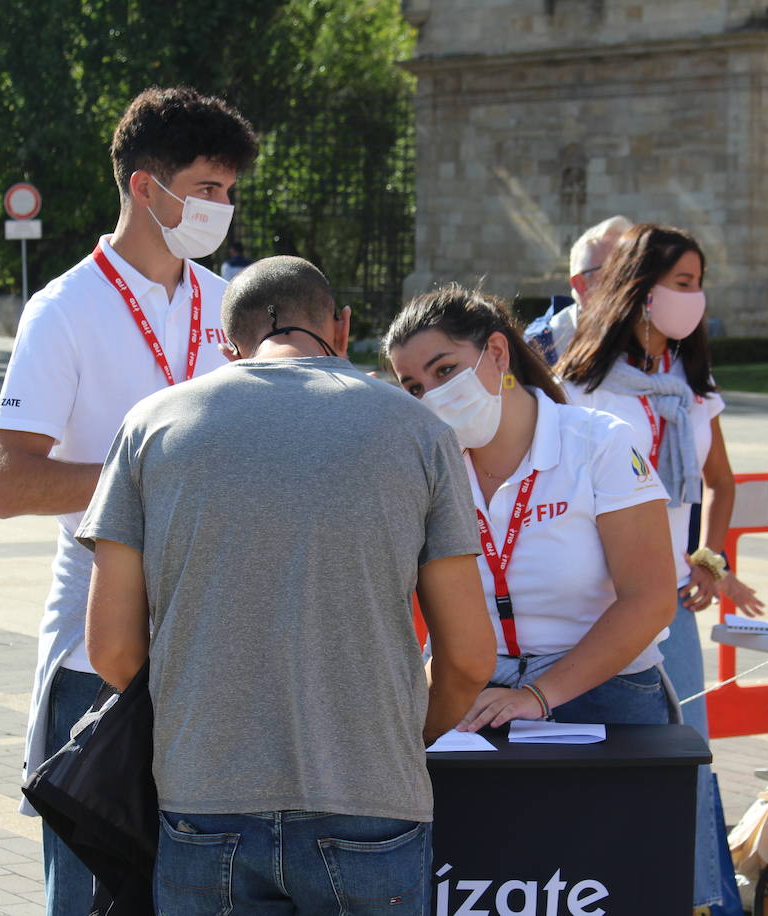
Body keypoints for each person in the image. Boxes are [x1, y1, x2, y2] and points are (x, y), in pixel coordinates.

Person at [77, 256, 495, 911]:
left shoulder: (149, 426)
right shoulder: (420, 432)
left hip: (201, 798)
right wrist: (397, 738)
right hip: (373, 800)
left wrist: (200, 728)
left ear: (226, 346)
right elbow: (469, 657)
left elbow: (110, 648)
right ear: (343, 324)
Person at [0, 86, 258, 916]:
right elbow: (8, 483)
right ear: (146, 186)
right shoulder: (63, 308)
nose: (221, 208)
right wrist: (142, 475)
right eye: (206, 188)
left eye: (229, 192)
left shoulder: (228, 305)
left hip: (213, 631)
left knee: (197, 888)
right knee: (91, 892)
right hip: (96, 648)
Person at [554, 222, 760, 912]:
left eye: (699, 284)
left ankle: (706, 902)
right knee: (592, 770)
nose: (694, 298)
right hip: (593, 610)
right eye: (681, 283)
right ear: (640, 291)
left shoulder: (693, 384)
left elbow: (721, 481)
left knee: (688, 763)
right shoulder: (580, 387)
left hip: (669, 606)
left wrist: (711, 557)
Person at [384, 284, 677, 733]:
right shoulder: (423, 466)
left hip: (604, 689)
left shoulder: (601, 442)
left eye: (445, 370)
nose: (434, 396)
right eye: (415, 388)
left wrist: (537, 696)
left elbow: (651, 599)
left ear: (498, 354)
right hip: (470, 689)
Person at [524, 214, 632, 364]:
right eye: (615, 269)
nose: (630, 278)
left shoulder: (658, 338)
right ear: (581, 285)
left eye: (633, 267)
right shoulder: (541, 348)